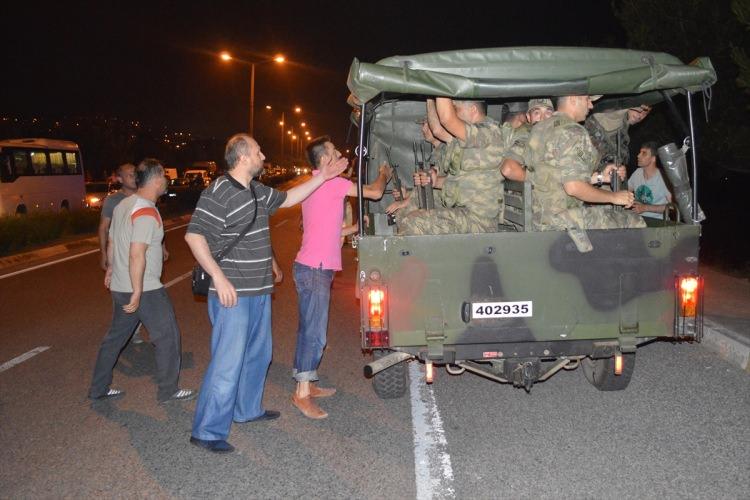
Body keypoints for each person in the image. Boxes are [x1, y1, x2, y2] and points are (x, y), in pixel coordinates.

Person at [185, 133, 347, 454]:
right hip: (232, 292)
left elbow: (288, 198)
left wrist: (323, 177)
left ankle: (247, 410)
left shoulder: (257, 190)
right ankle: (207, 430)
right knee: (228, 362)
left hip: (259, 290)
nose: (263, 155)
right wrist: (219, 277)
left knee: (259, 355)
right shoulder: (219, 191)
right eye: (258, 151)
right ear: (243, 156)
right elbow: (194, 236)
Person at [292, 136, 391, 420]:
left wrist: (355, 228)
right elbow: (374, 192)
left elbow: (328, 230)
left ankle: (306, 382)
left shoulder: (314, 184)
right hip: (315, 269)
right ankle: (301, 394)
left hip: (310, 267)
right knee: (314, 334)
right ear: (324, 160)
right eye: (335, 153)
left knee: (308, 330)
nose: (340, 156)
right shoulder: (332, 183)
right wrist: (384, 174)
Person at [88, 159, 194, 403]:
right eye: (164, 176)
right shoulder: (146, 210)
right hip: (145, 289)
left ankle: (98, 388)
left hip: (120, 285)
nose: (166, 181)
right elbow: (137, 253)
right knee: (167, 337)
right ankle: (168, 390)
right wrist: (138, 291)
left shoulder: (123, 205)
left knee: (115, 339)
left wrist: (111, 268)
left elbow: (113, 241)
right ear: (156, 180)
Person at [526, 95, 646, 232]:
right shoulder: (572, 131)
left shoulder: (539, 129)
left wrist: (601, 177)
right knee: (635, 221)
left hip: (538, 215)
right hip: (559, 219)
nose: (591, 105)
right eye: (587, 100)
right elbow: (574, 187)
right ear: (573, 99)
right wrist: (614, 197)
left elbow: (556, 176)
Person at [390, 97, 507, 235]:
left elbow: (447, 119)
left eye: (457, 109)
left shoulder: (487, 132)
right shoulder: (467, 140)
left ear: (473, 110)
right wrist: (430, 96)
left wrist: (439, 87)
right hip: (463, 211)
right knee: (405, 215)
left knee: (415, 221)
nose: (455, 113)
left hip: (480, 220)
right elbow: (437, 129)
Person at [98, 163, 168, 344]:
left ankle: (132, 331)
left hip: (126, 277)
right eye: (128, 175)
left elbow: (151, 232)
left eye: (134, 173)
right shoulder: (120, 202)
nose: (133, 177)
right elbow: (109, 232)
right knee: (167, 336)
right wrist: (107, 259)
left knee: (116, 334)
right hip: (140, 278)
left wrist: (161, 246)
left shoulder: (140, 201)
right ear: (119, 179)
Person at [500, 98, 555, 182]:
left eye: (548, 112)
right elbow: (508, 169)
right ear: (528, 117)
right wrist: (540, 183)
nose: (543, 118)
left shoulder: (556, 135)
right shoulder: (528, 134)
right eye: (537, 113)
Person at [584, 105, 651, 171]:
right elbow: (616, 111)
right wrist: (629, 104)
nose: (641, 116)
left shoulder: (624, 131)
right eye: (641, 109)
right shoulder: (612, 116)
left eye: (646, 114)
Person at [628, 141, 673, 220]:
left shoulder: (664, 177)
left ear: (653, 159)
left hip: (658, 222)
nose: (638, 156)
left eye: (644, 153)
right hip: (638, 220)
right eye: (640, 152)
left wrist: (645, 208)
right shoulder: (637, 173)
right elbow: (626, 192)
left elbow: (672, 207)